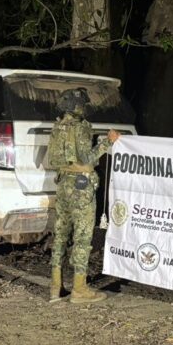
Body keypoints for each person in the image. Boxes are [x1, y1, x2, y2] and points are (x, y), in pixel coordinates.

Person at [47, 87, 121, 303]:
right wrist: (108, 142)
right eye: (83, 104)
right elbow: (86, 158)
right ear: (77, 106)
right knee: (82, 237)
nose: (85, 107)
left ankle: (55, 288)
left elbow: (54, 158)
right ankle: (79, 290)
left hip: (63, 186)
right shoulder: (80, 128)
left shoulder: (58, 126)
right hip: (80, 189)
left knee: (60, 235)